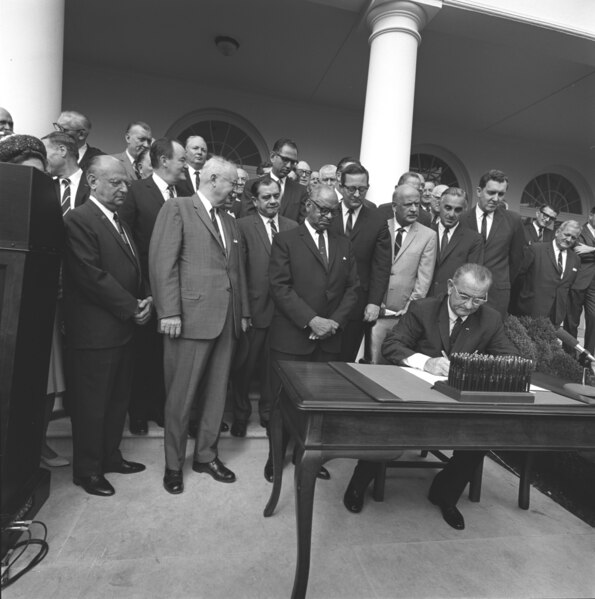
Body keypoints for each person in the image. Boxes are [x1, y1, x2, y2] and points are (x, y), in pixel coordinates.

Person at [344, 264, 518, 530]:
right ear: (450, 287)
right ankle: (358, 484)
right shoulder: (424, 309)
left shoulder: (490, 318)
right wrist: (427, 363)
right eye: (464, 296)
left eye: (479, 299)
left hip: (458, 396)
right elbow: (392, 345)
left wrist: (472, 366)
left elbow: (510, 357)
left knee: (483, 433)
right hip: (414, 390)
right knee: (385, 424)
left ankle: (445, 494)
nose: (471, 305)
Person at [149, 156, 250, 495]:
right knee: (181, 397)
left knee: (215, 395)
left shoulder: (230, 221)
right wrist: (168, 313)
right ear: (213, 179)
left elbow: (236, 271)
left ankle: (206, 456)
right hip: (189, 320)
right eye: (233, 182)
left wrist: (243, 312)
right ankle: (173, 465)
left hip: (226, 321)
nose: (237, 189)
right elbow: (163, 262)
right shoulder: (178, 208)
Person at [63, 156, 152, 497]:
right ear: (92, 181)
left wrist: (144, 300)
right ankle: (87, 471)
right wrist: (132, 308)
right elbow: (91, 276)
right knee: (92, 406)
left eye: (126, 183)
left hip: (123, 329)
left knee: (117, 401)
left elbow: (133, 268)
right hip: (95, 333)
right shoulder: (80, 219)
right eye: (115, 182)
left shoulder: (120, 221)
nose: (123, 188)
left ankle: (110, 457)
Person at [266, 184, 360, 481]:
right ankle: (275, 457)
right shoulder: (286, 240)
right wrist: (311, 320)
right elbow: (280, 287)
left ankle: (305, 456)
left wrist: (334, 323)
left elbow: (352, 289)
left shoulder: (343, 244)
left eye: (333, 211)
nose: (328, 216)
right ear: (308, 205)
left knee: (317, 406)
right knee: (281, 403)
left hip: (329, 339)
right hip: (292, 337)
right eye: (322, 209)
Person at [119, 138, 187, 435]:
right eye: (181, 159)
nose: (186, 164)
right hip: (143, 290)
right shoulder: (136, 191)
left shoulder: (186, 193)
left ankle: (160, 408)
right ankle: (138, 411)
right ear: (163, 160)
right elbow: (127, 244)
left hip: (177, 290)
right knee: (143, 353)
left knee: (167, 355)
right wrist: (145, 290)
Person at [230, 177, 298, 437]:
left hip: (283, 315)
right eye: (266, 197)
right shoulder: (243, 226)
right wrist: (244, 312)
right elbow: (239, 273)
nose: (272, 201)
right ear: (254, 200)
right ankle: (240, 414)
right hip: (254, 311)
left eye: (275, 195)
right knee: (244, 368)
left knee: (274, 369)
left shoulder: (292, 227)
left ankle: (269, 413)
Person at [330, 163, 391, 361]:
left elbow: (381, 265)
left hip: (358, 303)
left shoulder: (377, 219)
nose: (357, 194)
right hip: (326, 299)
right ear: (341, 187)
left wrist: (374, 302)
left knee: (346, 358)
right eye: (351, 189)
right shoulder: (328, 213)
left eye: (362, 189)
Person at [459, 169, 525, 317]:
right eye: (491, 192)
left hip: (497, 295)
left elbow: (517, 260)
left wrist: (502, 282)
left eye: (500, 194)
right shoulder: (462, 219)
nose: (496, 199)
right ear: (478, 191)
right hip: (464, 293)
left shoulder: (513, 220)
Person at [514, 220, 581, 325]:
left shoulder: (575, 259)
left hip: (555, 317)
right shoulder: (536, 249)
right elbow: (518, 277)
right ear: (557, 232)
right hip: (530, 312)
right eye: (567, 234)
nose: (569, 239)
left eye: (573, 238)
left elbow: (568, 286)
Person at [429, 187, 484, 297]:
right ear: (439, 205)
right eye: (448, 208)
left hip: (450, 302)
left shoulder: (474, 239)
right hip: (422, 299)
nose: (451, 214)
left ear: (464, 210)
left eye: (457, 210)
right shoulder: (426, 231)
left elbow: (472, 277)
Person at [240, 139, 308, 222]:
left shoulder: (301, 191)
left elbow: (302, 224)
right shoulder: (251, 186)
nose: (289, 165)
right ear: (272, 157)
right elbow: (247, 221)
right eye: (285, 159)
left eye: (293, 162)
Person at [566, 207, 595, 361]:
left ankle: (587, 359)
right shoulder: (579, 231)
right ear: (591, 216)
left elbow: (587, 252)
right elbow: (577, 250)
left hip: (594, 286)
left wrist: (591, 249)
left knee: (594, 319)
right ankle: (568, 357)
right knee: (572, 321)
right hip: (578, 281)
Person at [43, 131, 90, 213]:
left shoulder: (94, 184)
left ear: (62, 150)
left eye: (44, 153)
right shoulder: (45, 187)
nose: (42, 159)